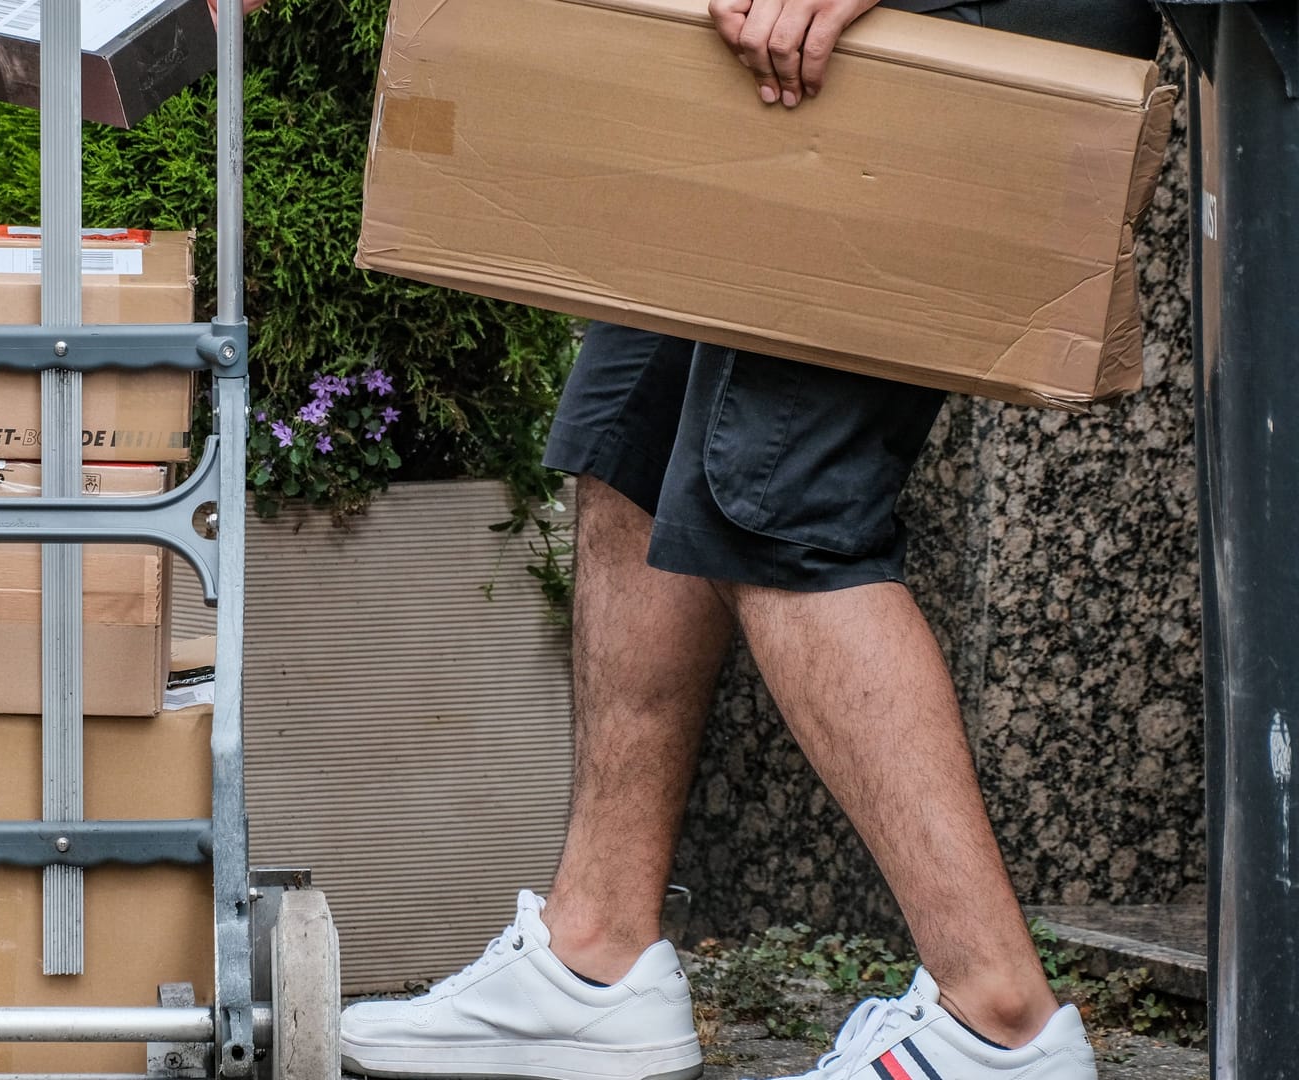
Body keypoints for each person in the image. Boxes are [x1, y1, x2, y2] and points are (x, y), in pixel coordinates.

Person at [233, 0, 1163, 1077]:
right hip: (784, 48)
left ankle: (1000, 1020)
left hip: (945, 43)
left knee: (772, 489)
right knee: (634, 438)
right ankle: (594, 960)